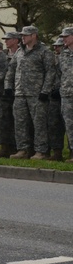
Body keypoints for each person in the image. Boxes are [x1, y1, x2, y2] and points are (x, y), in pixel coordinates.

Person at [5, 25, 54, 159]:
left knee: (39, 123)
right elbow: (11, 70)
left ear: (34, 35)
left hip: (37, 94)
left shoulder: (44, 52)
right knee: (20, 122)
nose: (23, 38)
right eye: (22, 35)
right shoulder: (19, 52)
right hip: (20, 93)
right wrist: (8, 87)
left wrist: (45, 90)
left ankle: (41, 151)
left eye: (25, 35)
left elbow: (50, 72)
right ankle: (23, 149)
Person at [57, 26, 73, 162]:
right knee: (69, 124)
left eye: (66, 37)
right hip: (67, 94)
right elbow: (59, 74)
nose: (63, 39)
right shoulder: (63, 54)